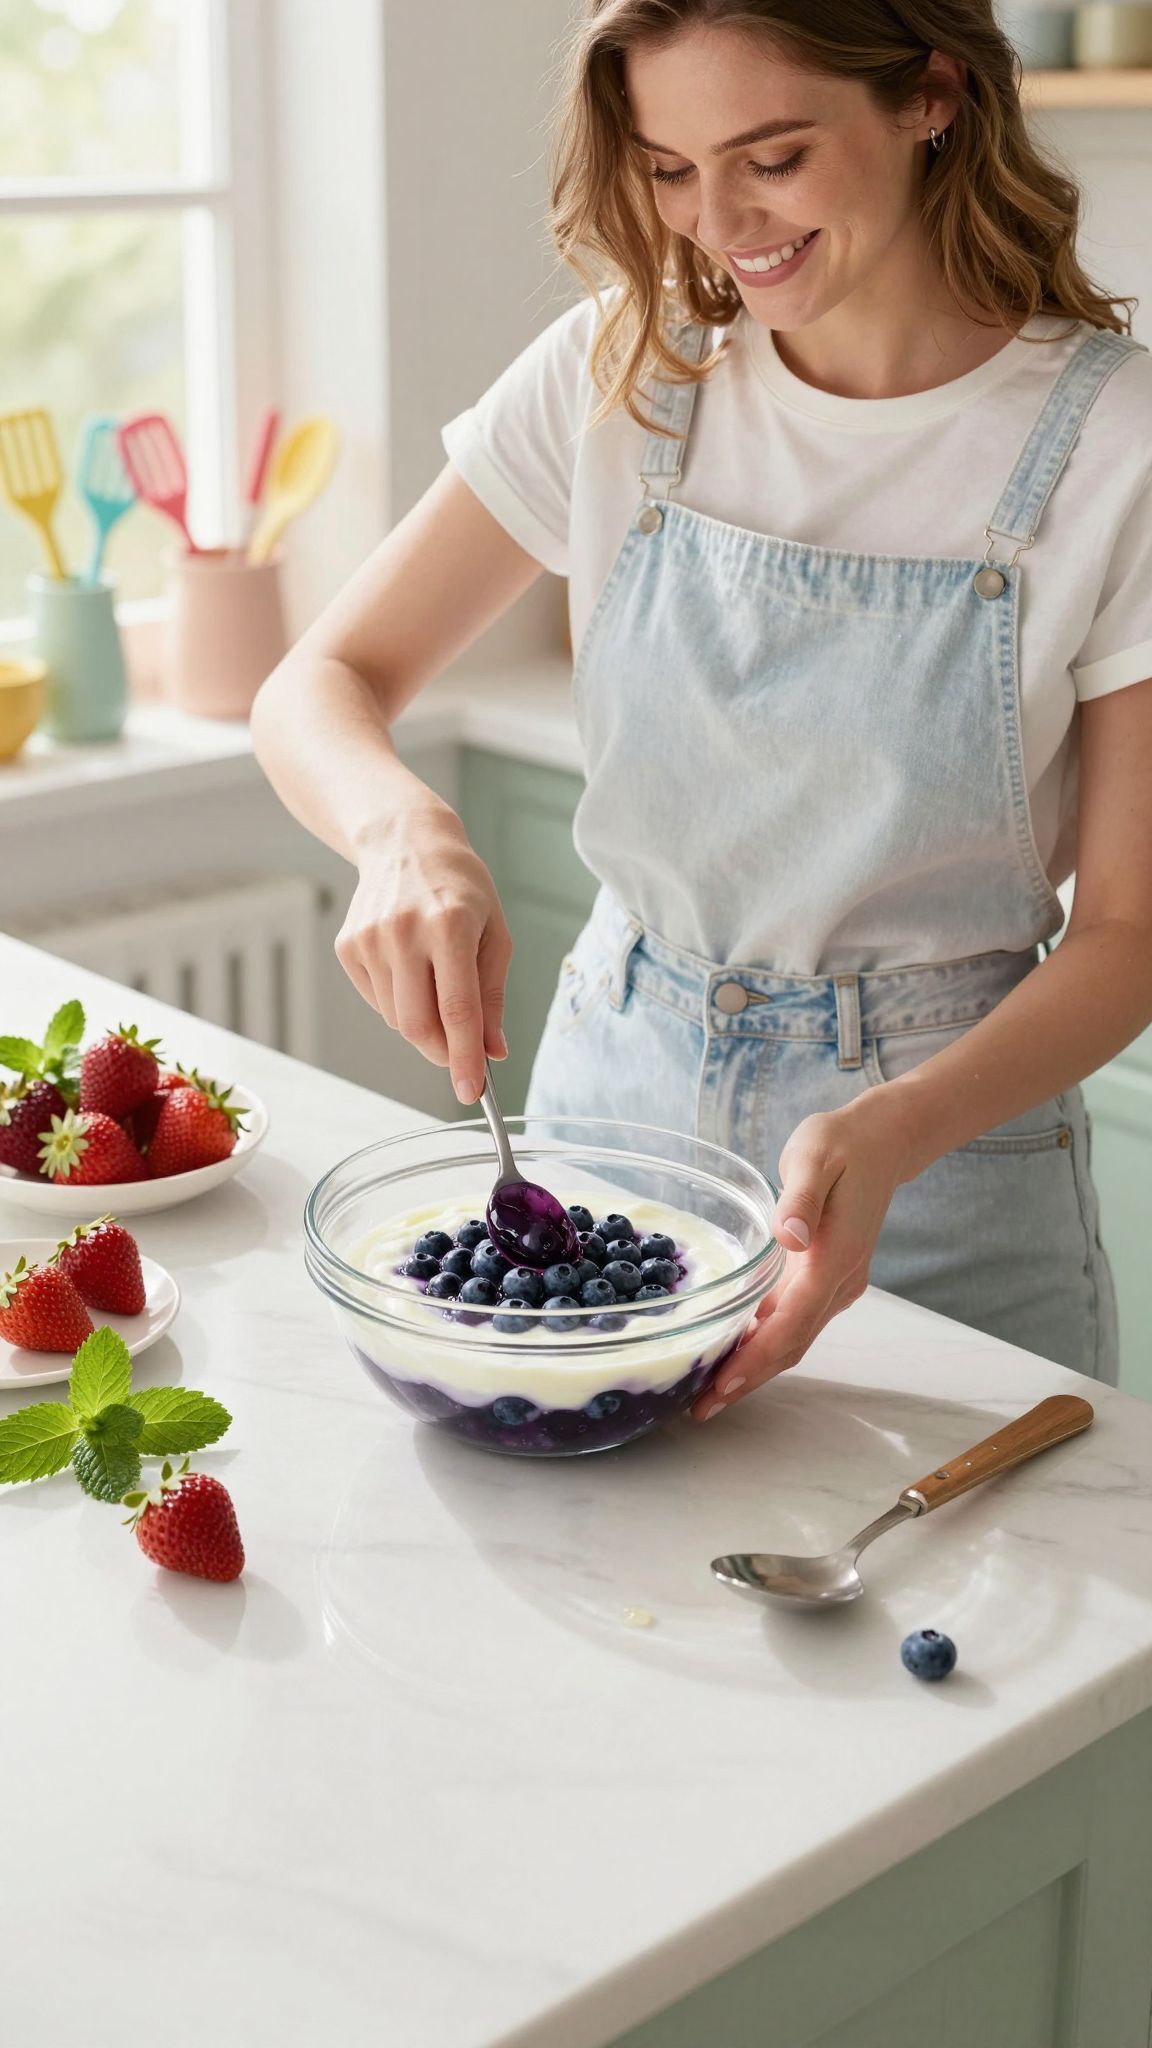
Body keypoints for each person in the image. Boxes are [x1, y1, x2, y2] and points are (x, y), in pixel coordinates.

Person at [252, 0, 1152, 1414]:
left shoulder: (1114, 444)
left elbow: (1128, 936)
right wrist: (399, 833)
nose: (718, 220)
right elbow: (320, 683)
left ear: (929, 96)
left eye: (773, 157)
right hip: (613, 1113)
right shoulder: (624, 372)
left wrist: (899, 1127)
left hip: (945, 1168)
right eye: (669, 169)